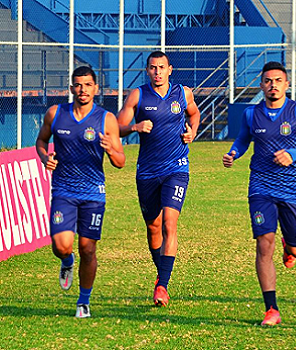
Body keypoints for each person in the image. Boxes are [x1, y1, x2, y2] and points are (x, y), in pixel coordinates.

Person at [222, 61, 296, 326]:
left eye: (278, 81)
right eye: (268, 81)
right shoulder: (251, 114)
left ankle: (290, 246)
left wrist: (293, 155)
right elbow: (243, 138)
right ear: (261, 85)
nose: (273, 85)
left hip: (293, 188)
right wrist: (234, 153)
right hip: (260, 186)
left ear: (287, 84)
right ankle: (271, 309)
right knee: (263, 244)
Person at [35, 66, 126, 318]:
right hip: (63, 190)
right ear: (71, 87)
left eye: (87, 84)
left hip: (94, 193)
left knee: (88, 249)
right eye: (77, 84)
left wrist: (110, 149)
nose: (82, 89)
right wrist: (45, 157)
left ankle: (83, 302)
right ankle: (67, 262)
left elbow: (121, 161)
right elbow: (41, 141)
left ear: (96, 88)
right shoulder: (56, 113)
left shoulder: (106, 119)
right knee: (62, 246)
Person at [117, 51, 200, 307]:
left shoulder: (182, 93)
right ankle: (161, 274)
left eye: (161, 67)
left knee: (169, 224)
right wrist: (135, 127)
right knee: (153, 228)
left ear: (170, 69)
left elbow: (194, 114)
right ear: (147, 70)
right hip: (147, 172)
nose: (157, 72)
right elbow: (117, 128)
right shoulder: (138, 95)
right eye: (153, 68)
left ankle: (162, 285)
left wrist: (192, 132)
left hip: (176, 168)